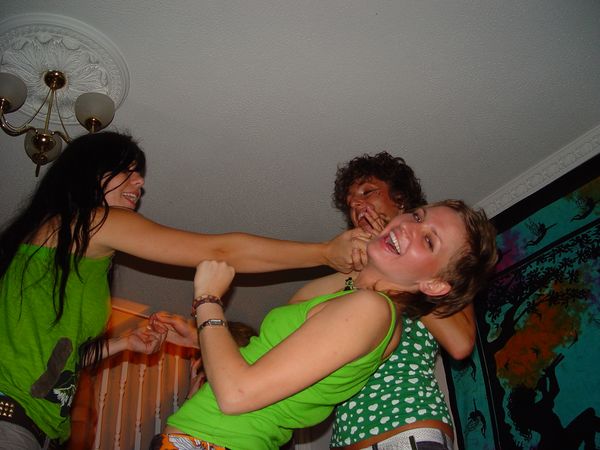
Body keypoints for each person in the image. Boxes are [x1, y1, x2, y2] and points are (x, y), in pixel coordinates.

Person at [0, 131, 365, 449]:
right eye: (127, 170)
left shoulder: (69, 246)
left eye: (140, 174)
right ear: (89, 172)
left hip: (32, 424)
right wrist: (324, 252)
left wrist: (121, 344)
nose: (140, 182)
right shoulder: (91, 221)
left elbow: (45, 353)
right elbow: (221, 251)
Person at [149, 199, 498, 450]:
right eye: (417, 215)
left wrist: (208, 299)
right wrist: (203, 335)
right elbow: (271, 349)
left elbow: (237, 394)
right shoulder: (353, 296)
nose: (408, 225)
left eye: (429, 240)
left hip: (217, 440)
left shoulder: (371, 310)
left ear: (434, 285)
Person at [323, 152, 482, 449]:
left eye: (367, 192)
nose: (357, 203)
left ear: (400, 199)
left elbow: (460, 342)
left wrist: (404, 274)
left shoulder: (440, 267)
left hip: (407, 427)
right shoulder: (355, 277)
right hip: (345, 438)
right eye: (351, 201)